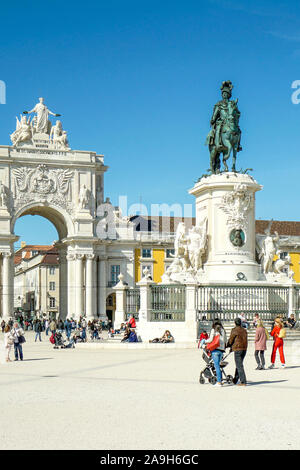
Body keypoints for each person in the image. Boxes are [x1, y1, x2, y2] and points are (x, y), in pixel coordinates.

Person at [204, 321, 227, 387]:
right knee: (219, 366)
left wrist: (204, 341)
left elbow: (210, 340)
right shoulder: (223, 330)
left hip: (215, 350)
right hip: (221, 351)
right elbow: (225, 340)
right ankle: (221, 380)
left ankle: (219, 382)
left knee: (216, 366)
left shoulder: (213, 330)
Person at [227, 318, 248, 386]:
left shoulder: (234, 330)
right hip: (244, 348)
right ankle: (235, 380)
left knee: (239, 365)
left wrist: (227, 345)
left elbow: (231, 339)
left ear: (235, 323)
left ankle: (243, 381)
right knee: (239, 364)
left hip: (238, 349)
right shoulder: (244, 330)